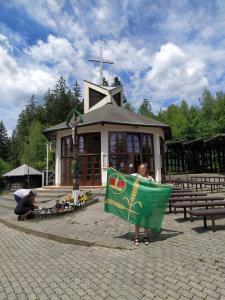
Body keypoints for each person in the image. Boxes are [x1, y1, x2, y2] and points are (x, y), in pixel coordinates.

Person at [131, 163, 155, 246]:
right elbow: (124, 177)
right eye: (141, 168)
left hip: (147, 202)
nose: (142, 169)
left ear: (146, 169)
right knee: (137, 220)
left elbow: (157, 186)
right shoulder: (135, 176)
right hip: (138, 202)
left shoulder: (150, 178)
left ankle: (145, 237)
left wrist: (168, 186)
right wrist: (113, 171)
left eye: (144, 168)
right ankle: (136, 237)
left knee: (146, 221)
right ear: (139, 169)